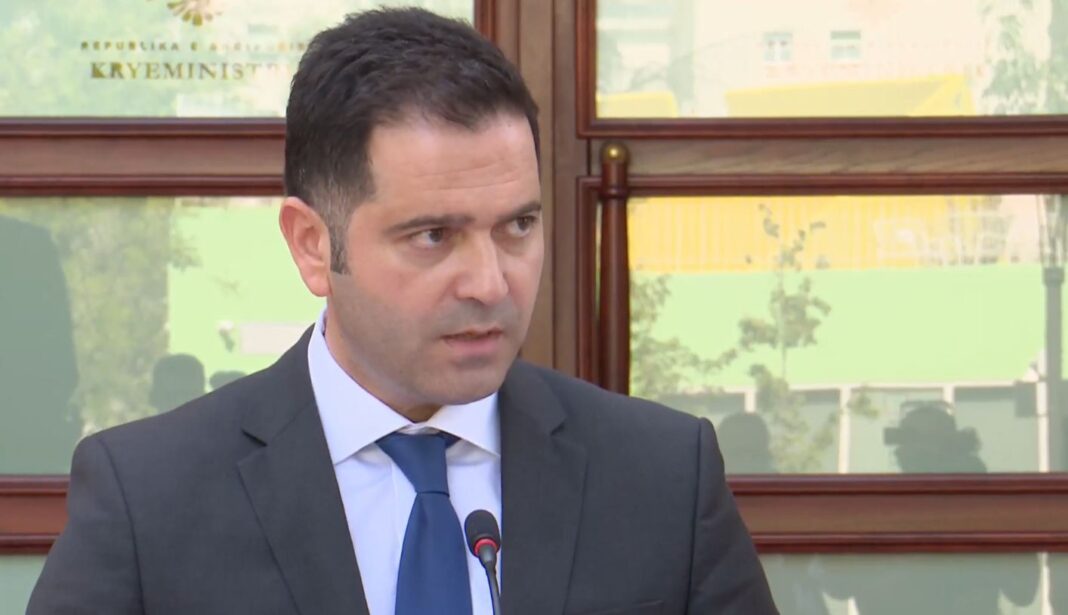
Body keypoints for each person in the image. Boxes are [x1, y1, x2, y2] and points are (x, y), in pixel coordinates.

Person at [28, 8, 776, 614]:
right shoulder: (149, 498)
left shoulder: (663, 477)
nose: (490, 282)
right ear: (313, 245)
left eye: (518, 225)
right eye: (433, 236)